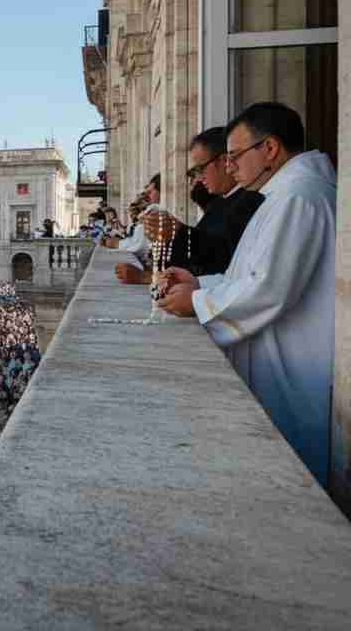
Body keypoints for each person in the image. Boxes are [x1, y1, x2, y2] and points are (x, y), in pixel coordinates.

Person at [158, 102, 336, 485]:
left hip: (296, 365)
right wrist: (199, 285)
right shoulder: (283, 195)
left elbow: (269, 287)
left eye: (235, 155)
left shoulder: (299, 197)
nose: (231, 166)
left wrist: (196, 303)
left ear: (269, 148)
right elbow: (251, 274)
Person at [120, 127, 264, 284]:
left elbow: (227, 259)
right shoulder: (219, 203)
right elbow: (193, 258)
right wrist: (165, 238)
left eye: (201, 169)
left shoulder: (250, 200)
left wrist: (178, 232)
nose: (199, 178)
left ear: (224, 162)